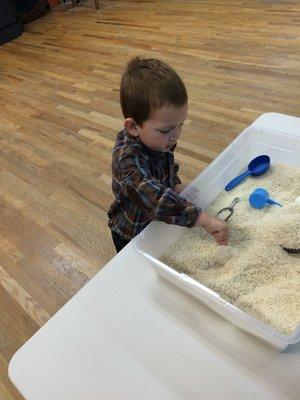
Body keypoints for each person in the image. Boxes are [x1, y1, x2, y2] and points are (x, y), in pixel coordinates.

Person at [108, 57, 229, 252]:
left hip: (159, 223)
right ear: (133, 127)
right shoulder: (127, 161)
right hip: (132, 232)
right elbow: (156, 199)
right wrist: (202, 219)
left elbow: (167, 167)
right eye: (166, 130)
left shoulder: (159, 140)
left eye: (180, 125)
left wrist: (175, 184)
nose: (176, 136)